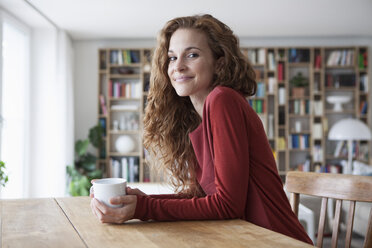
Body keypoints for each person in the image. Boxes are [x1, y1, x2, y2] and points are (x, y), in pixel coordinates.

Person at [90, 14, 313, 245]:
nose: (178, 66)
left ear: (220, 62)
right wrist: (139, 200)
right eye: (172, 57)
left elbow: (227, 205)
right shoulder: (199, 118)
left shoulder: (222, 100)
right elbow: (207, 199)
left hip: (275, 240)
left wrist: (144, 208)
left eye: (192, 55)